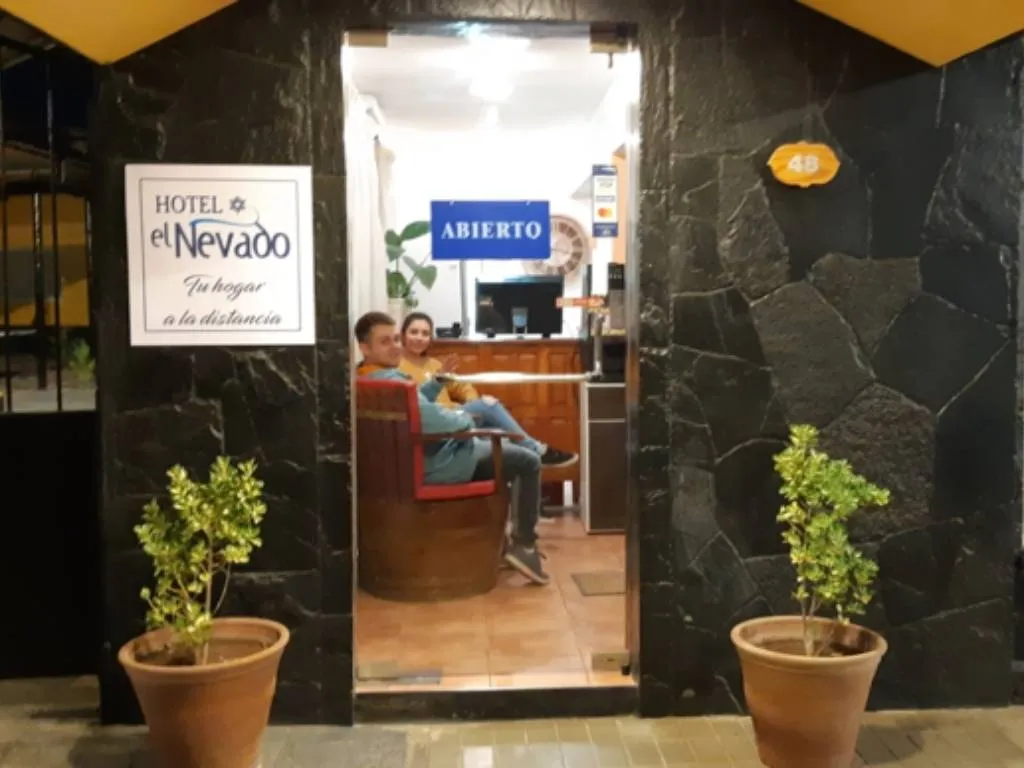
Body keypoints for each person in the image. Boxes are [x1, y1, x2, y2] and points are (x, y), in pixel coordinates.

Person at [354, 311, 550, 585]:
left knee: (504, 448)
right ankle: (524, 546)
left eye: (396, 339)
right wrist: (467, 417)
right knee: (527, 460)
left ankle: (508, 542)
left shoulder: (367, 378)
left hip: (414, 463)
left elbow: (417, 407)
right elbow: (443, 422)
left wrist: (437, 384)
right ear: (365, 348)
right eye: (385, 342)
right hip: (441, 465)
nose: (395, 346)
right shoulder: (394, 384)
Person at [398, 312, 578, 468]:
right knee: (488, 406)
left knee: (500, 436)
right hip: (435, 424)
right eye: (414, 332)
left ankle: (530, 461)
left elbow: (463, 386)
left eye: (425, 333)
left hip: (456, 417)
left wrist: (472, 404)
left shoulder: (435, 364)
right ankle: (538, 450)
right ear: (403, 335)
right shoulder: (398, 366)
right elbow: (417, 402)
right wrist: (479, 407)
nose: (419, 338)